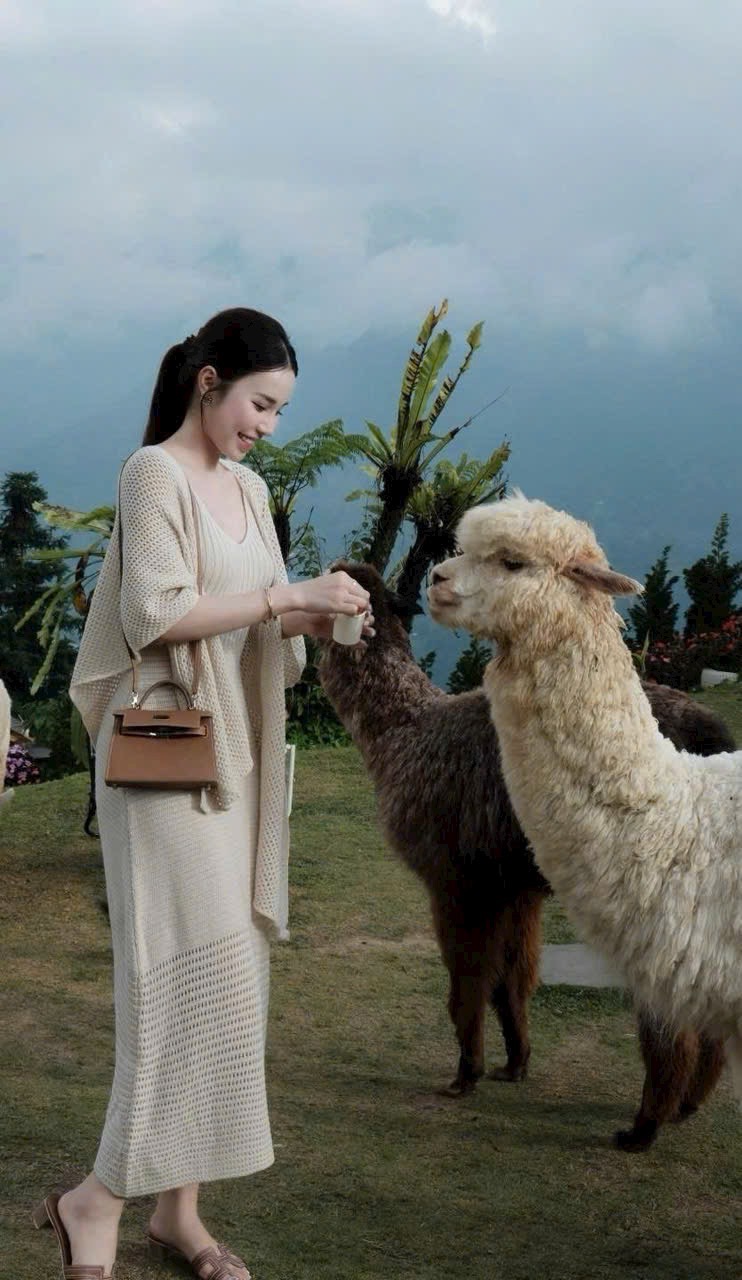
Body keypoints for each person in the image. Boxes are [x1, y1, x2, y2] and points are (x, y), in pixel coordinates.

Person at [32, 307, 373, 1280]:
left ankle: (177, 1213)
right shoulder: (154, 473)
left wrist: (314, 610)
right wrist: (283, 595)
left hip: (236, 757)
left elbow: (260, 627)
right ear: (208, 381)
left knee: (227, 982)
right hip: (164, 757)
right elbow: (155, 613)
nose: (267, 425)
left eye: (279, 410)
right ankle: (94, 1201)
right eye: (260, 403)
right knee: (170, 979)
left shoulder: (251, 489)